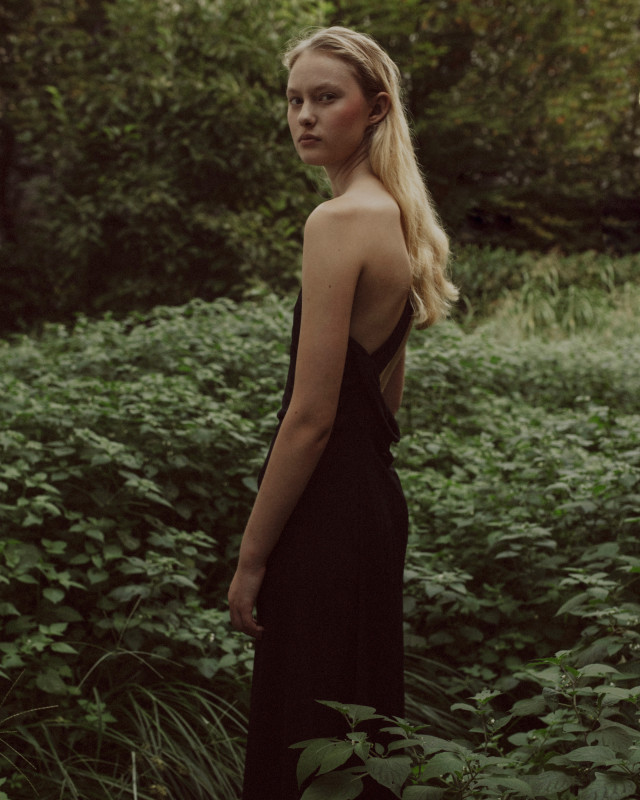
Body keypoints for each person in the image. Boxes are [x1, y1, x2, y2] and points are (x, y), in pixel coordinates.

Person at [228, 25, 458, 800]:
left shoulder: (337, 222)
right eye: (295, 99)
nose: (304, 116)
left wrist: (251, 559)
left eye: (326, 98)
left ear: (376, 107)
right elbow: (385, 403)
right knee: (354, 739)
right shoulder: (397, 216)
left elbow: (311, 418)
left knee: (308, 738)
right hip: (372, 511)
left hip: (326, 518)